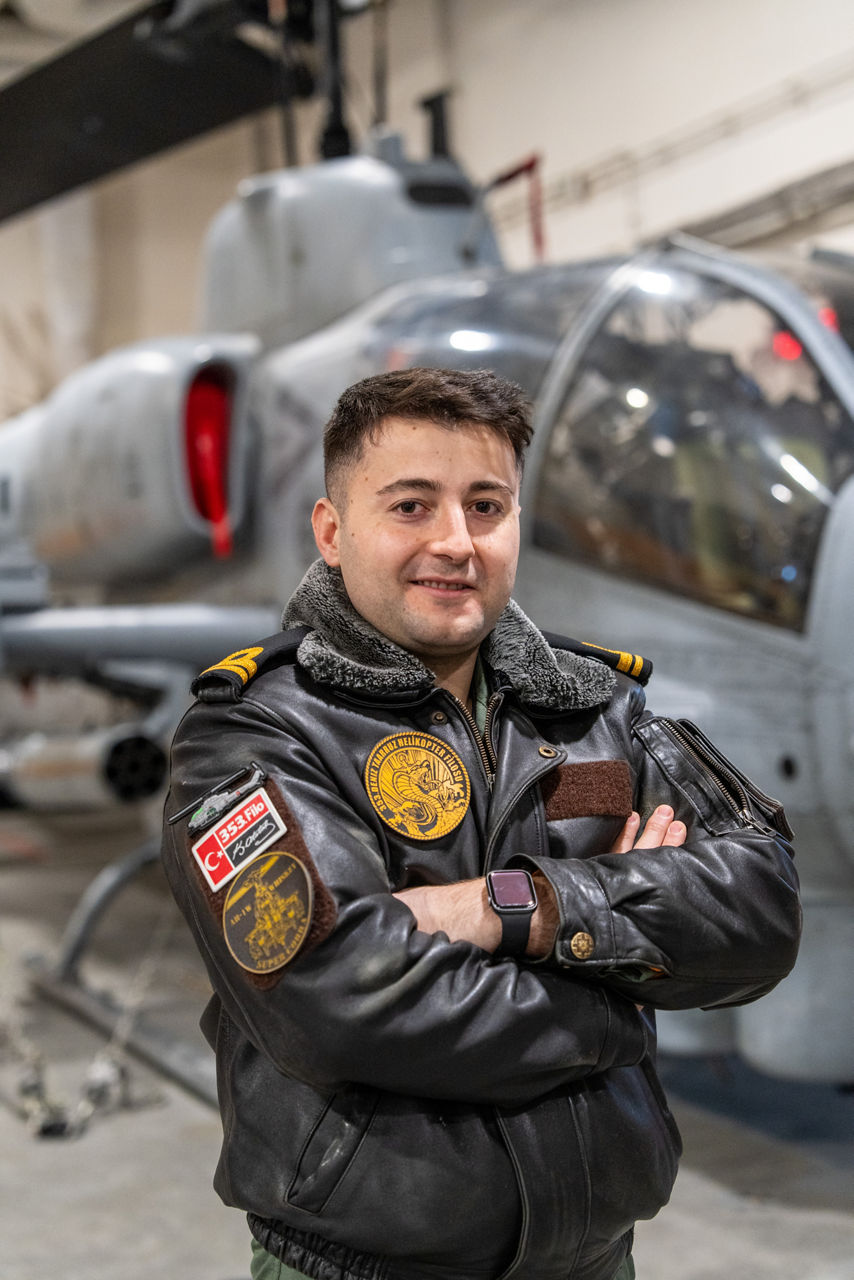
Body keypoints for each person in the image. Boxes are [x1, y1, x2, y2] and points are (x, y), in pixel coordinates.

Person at [161, 367, 801, 1280]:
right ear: (333, 532)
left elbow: (762, 906)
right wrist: (615, 1005)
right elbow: (336, 1002)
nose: (456, 542)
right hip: (360, 1265)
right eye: (411, 506)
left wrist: (518, 906)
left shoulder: (597, 707)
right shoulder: (255, 730)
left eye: (486, 506)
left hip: (596, 1258)